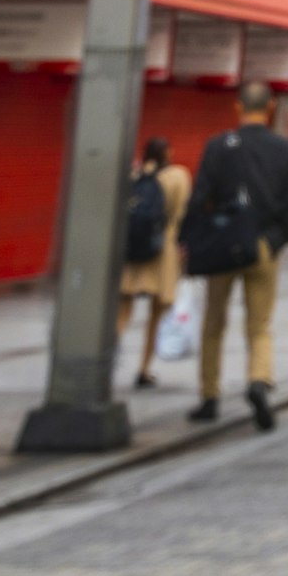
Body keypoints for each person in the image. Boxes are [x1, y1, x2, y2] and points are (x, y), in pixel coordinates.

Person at [182, 83, 288, 430]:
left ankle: (209, 396)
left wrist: (187, 239)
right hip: (263, 244)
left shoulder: (219, 146)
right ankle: (257, 380)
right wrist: (277, 240)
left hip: (223, 245)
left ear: (238, 108)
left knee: (213, 322)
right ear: (271, 107)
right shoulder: (283, 150)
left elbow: (199, 196)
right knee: (260, 324)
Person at [118, 134, 189, 392]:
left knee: (123, 307)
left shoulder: (133, 175)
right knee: (156, 315)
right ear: (168, 153)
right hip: (162, 250)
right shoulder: (178, 177)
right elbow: (181, 214)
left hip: (132, 250)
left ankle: (111, 347)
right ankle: (144, 368)